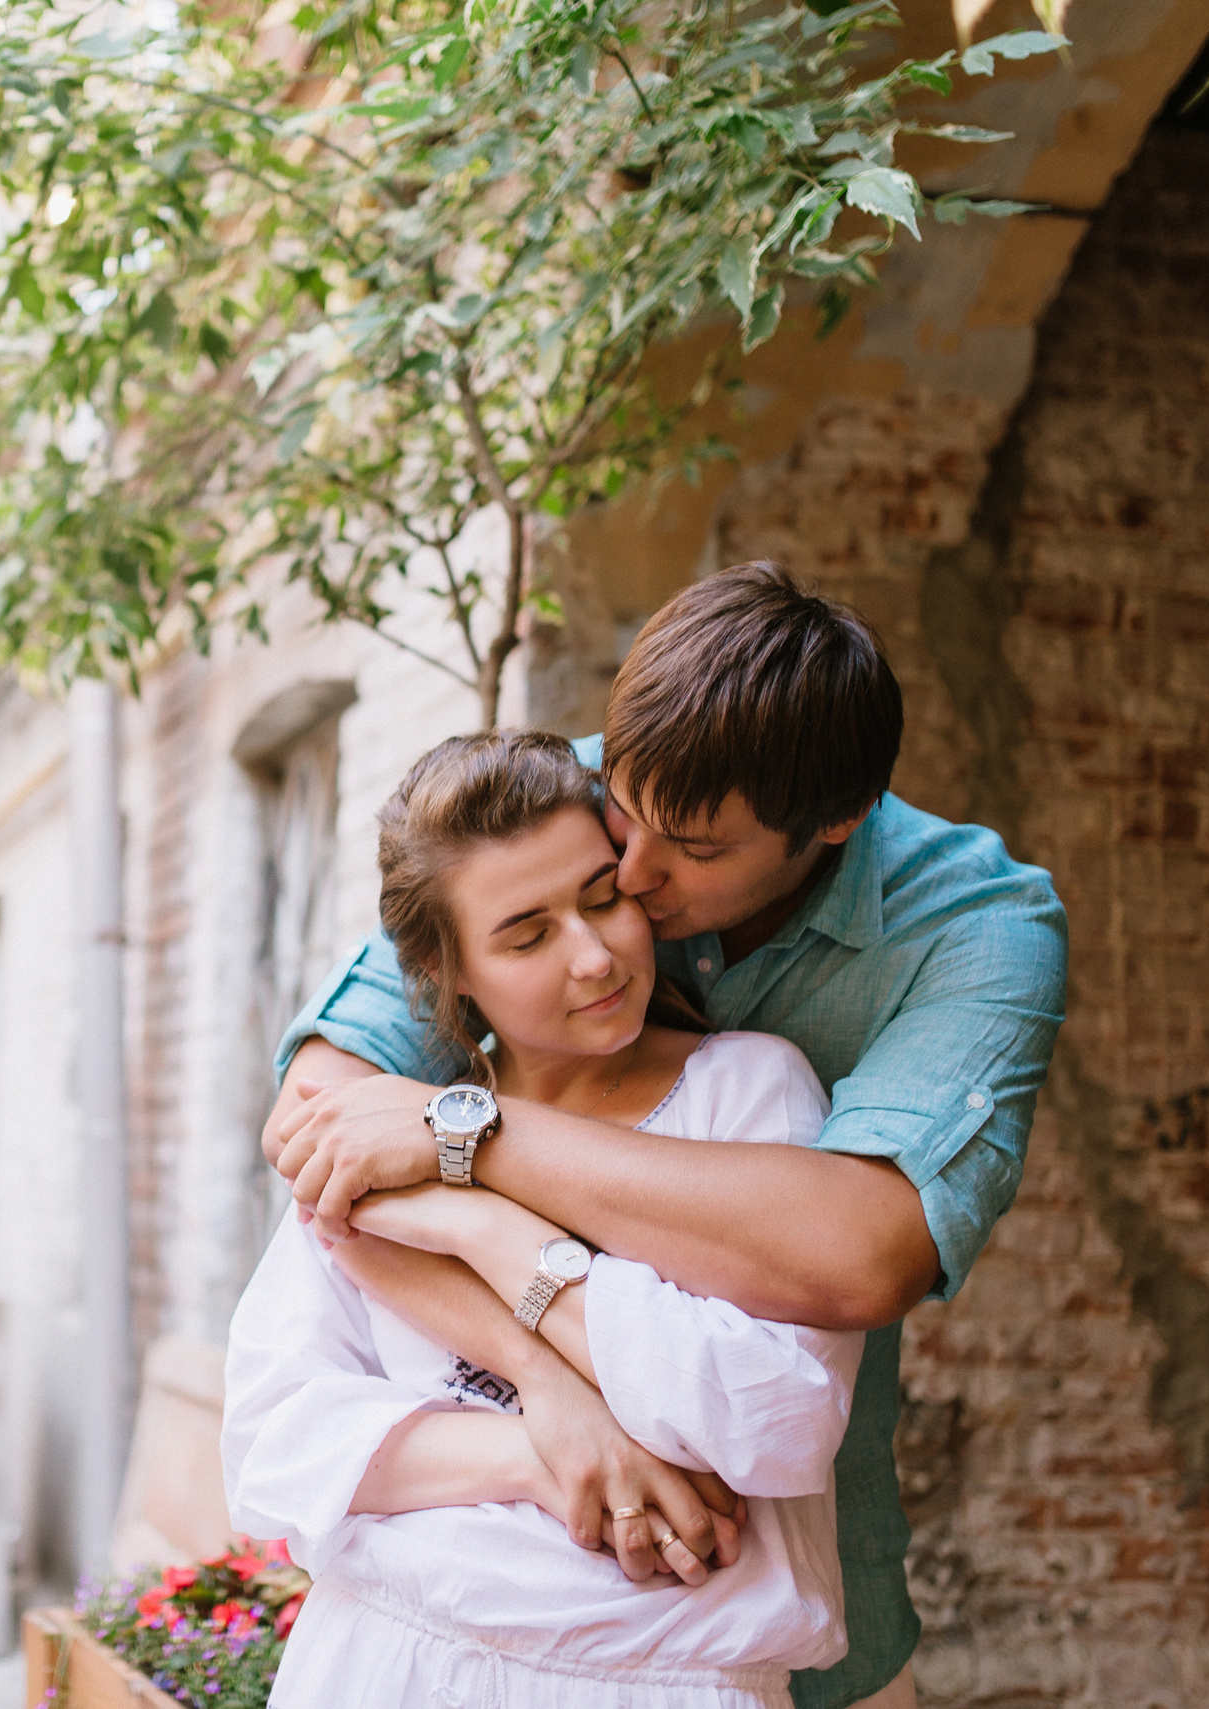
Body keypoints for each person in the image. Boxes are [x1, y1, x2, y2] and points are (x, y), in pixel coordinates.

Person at [261, 563, 1068, 1709]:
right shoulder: (574, 809)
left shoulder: (976, 932)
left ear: (831, 823)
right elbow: (323, 1127)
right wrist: (553, 1397)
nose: (629, 883)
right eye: (621, 814)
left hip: (752, 1575)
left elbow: (861, 1252)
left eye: (686, 848)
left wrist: (468, 1139)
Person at [224, 730, 863, 1709]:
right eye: (526, 934)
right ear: (444, 970)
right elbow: (275, 1435)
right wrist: (547, 1441)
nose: (593, 953)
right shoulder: (387, 1131)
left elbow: (772, 1415)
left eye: (603, 895)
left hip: (660, 1679)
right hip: (380, 1662)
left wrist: (493, 1235)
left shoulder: (743, 1090)